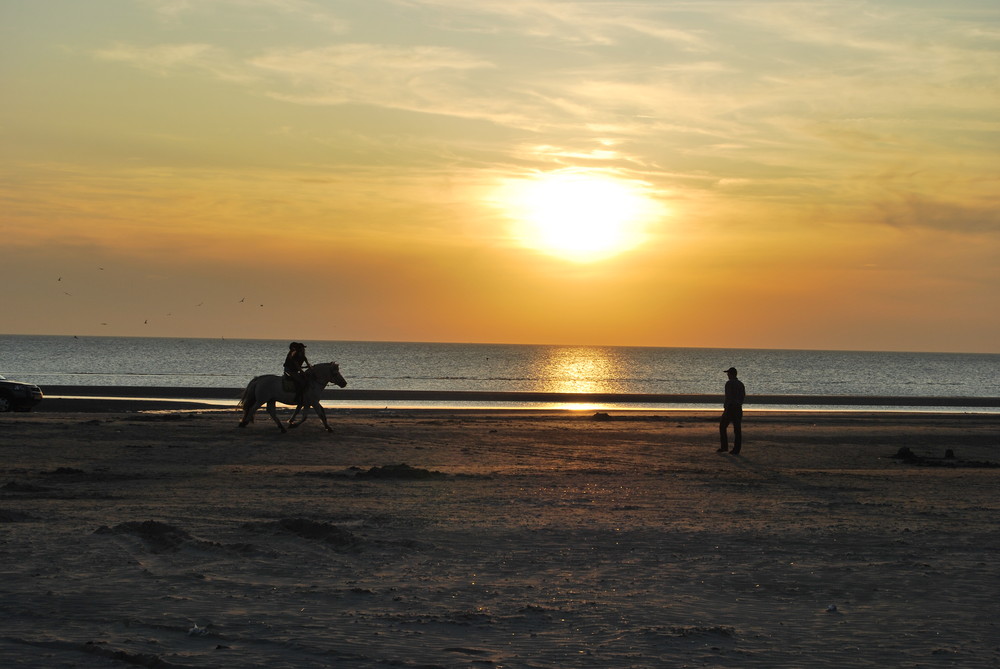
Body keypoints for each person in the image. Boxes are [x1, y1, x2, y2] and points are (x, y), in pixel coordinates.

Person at [718, 366, 746, 454]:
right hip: (738, 407)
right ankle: (736, 449)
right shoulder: (740, 384)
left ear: (731, 374)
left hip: (731, 407)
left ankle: (724, 447)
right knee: (737, 429)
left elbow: (728, 397)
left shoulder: (729, 383)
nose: (727, 375)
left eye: (728, 373)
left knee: (722, 426)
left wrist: (726, 408)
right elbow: (742, 396)